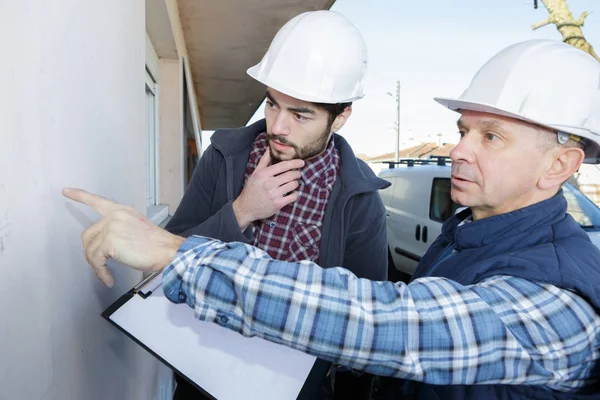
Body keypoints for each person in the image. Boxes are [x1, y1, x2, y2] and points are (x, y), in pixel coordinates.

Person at [64, 39, 600, 399]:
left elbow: (378, 315)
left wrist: (176, 254)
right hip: (202, 363)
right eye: (463, 130)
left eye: (491, 137)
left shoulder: (559, 303)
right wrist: (240, 213)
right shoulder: (465, 232)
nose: (459, 151)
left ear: (560, 165)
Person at [162, 10, 389, 400]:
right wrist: (241, 211)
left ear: (341, 117)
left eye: (301, 114)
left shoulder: (361, 199)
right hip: (202, 373)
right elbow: (165, 256)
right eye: (272, 104)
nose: (278, 126)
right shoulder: (222, 157)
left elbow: (368, 327)